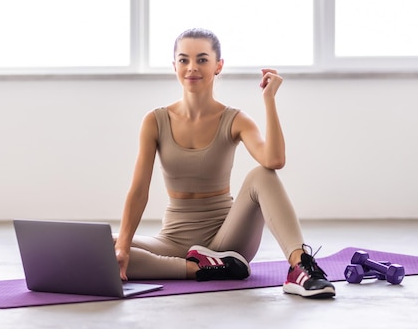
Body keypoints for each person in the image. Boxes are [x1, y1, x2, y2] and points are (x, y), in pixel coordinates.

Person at [114, 28, 335, 299]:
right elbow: (139, 190)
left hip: (226, 240)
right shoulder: (155, 121)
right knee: (104, 246)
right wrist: (123, 248)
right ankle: (199, 269)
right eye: (184, 60)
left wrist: (269, 101)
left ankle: (301, 268)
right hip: (172, 240)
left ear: (218, 65)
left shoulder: (234, 119)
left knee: (261, 175)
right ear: (174, 66)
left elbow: (274, 160)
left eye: (202, 59)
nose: (192, 67)